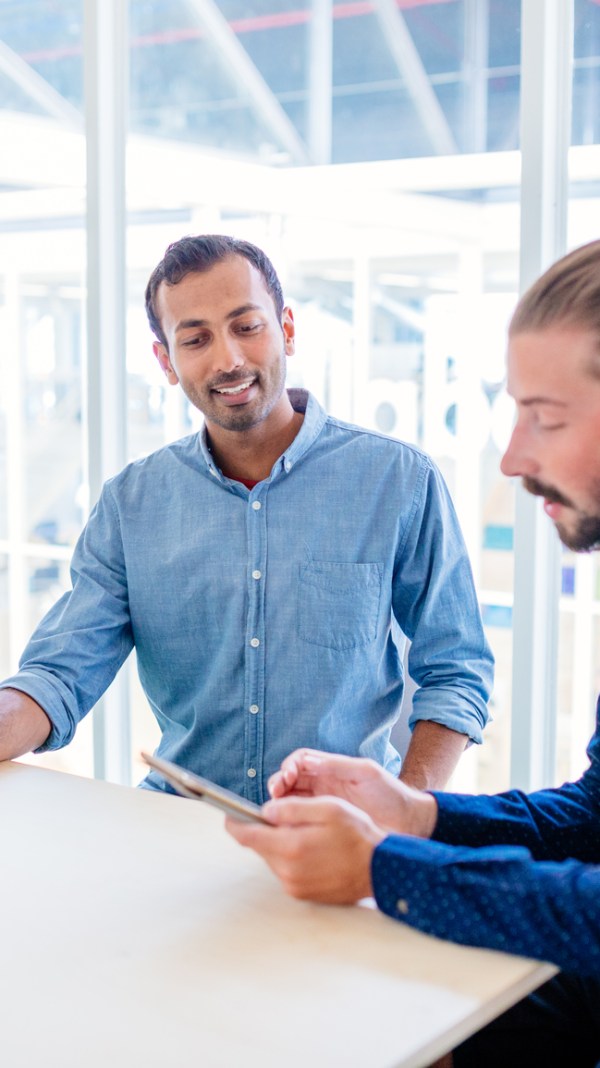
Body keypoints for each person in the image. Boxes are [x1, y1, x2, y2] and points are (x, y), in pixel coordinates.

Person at [226, 240, 600, 1065]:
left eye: (549, 416)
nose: (512, 458)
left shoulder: (394, 477)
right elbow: (594, 818)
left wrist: (388, 867)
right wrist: (418, 816)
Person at [0, 234, 493, 798]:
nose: (227, 359)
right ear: (166, 360)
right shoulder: (129, 506)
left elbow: (457, 669)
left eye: (246, 326)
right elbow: (58, 675)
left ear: (285, 328)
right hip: (180, 823)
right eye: (196, 339)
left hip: (346, 829)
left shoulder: (398, 480)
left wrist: (404, 813)